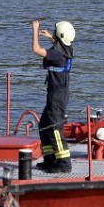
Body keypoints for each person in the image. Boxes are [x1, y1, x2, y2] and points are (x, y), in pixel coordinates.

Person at [31, 20, 75, 173]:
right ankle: (50, 158)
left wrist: (35, 30)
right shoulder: (67, 48)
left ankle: (63, 162)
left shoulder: (56, 54)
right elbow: (59, 42)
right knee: (44, 125)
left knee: (55, 128)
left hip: (56, 95)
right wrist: (50, 36)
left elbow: (36, 49)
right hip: (58, 94)